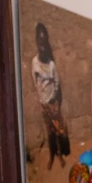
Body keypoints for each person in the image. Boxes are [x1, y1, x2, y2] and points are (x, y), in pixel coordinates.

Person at [31, 23, 69, 170]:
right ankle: (52, 156)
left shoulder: (51, 64)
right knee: (49, 132)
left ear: (47, 43)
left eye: (44, 42)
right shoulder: (34, 63)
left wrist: (53, 99)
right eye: (40, 41)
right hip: (43, 105)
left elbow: (57, 82)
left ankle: (59, 155)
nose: (42, 45)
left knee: (59, 130)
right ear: (36, 41)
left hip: (53, 104)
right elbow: (36, 82)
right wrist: (42, 98)